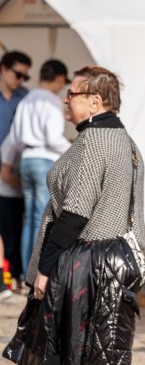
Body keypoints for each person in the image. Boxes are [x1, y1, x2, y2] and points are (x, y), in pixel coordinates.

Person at [27, 65, 145, 365]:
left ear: (97, 101)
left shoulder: (96, 140)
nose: (65, 99)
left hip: (86, 261)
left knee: (48, 350)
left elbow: (75, 212)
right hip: (110, 261)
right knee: (101, 354)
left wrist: (44, 268)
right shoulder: (124, 140)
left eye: (73, 94)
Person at [5, 59, 72, 275]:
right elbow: (53, 138)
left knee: (29, 219)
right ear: (60, 79)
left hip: (25, 159)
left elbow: (14, 138)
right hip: (44, 160)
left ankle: (26, 272)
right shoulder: (52, 101)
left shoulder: (26, 100)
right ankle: (34, 274)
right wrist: (71, 148)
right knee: (41, 219)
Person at [0, 50, 31, 300]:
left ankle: (14, 276)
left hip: (16, 171)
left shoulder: (27, 98)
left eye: (25, 76)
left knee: (15, 228)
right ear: (3, 69)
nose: (21, 79)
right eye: (17, 74)